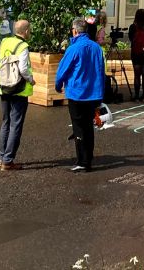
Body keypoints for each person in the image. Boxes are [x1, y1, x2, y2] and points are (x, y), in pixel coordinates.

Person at [55, 18, 105, 172]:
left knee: (79, 127)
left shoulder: (74, 48)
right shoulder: (96, 48)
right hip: (93, 93)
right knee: (88, 126)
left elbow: (63, 69)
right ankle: (88, 158)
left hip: (77, 93)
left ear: (75, 31)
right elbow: (101, 70)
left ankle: (82, 161)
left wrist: (58, 85)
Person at [0, 20, 34, 171]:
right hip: (18, 90)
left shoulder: (4, 42)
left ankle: (2, 157)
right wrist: (31, 79)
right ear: (26, 31)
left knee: (5, 123)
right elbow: (23, 69)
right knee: (15, 124)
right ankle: (8, 161)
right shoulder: (23, 46)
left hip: (3, 88)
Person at [128, 9, 144, 102]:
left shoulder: (133, 26)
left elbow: (131, 39)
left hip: (136, 53)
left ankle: (137, 96)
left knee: (137, 75)